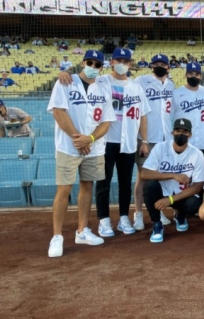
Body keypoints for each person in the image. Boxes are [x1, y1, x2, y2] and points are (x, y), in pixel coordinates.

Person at [46, 51, 112, 257]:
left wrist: (89, 139)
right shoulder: (66, 82)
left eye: (98, 64)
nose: (93, 65)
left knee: (87, 186)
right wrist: (78, 139)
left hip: (93, 147)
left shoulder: (103, 87)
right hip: (68, 146)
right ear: (83, 63)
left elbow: (107, 121)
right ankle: (57, 236)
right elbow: (58, 112)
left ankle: (82, 230)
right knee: (64, 189)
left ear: (102, 67)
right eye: (90, 62)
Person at [94, 48, 151, 238]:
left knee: (126, 183)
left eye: (126, 61)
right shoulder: (100, 81)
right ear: (111, 62)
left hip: (128, 141)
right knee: (104, 182)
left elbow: (143, 116)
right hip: (105, 140)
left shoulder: (136, 87)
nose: (122, 64)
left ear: (130, 64)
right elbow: (80, 81)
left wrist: (144, 141)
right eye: (118, 60)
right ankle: (103, 220)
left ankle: (124, 217)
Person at [141, 118, 204, 243]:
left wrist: (170, 200)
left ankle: (180, 214)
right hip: (161, 192)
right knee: (149, 185)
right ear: (172, 132)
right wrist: (173, 175)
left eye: (184, 132)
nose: (180, 134)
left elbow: (197, 186)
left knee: (194, 204)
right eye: (177, 130)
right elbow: (144, 173)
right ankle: (157, 224)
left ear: (190, 134)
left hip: (180, 196)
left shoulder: (197, 154)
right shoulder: (161, 148)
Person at [132, 54, 176, 231]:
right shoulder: (141, 81)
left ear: (168, 67)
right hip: (147, 139)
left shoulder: (171, 85)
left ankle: (158, 212)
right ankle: (137, 214)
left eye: (162, 64)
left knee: (160, 180)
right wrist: (143, 140)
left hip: (165, 140)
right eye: (156, 63)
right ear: (151, 66)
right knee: (142, 178)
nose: (159, 66)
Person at [171, 62, 204, 164]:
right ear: (186, 75)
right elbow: (170, 118)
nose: (194, 76)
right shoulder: (176, 93)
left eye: (196, 74)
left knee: (201, 175)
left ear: (200, 76)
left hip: (202, 141)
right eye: (190, 73)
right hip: (183, 141)